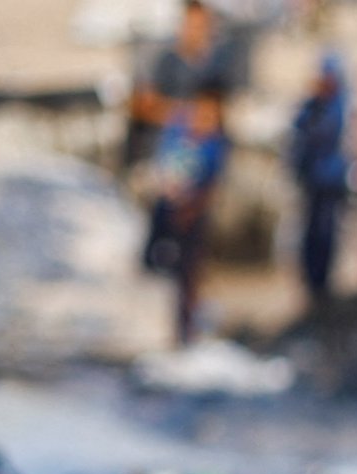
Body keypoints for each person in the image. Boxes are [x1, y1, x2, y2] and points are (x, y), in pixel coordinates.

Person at [142, 83, 231, 343]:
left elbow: (212, 185)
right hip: (167, 209)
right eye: (202, 111)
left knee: (188, 275)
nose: (205, 118)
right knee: (154, 264)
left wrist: (192, 207)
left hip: (192, 216)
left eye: (211, 114)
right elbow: (163, 167)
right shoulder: (177, 130)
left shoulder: (216, 145)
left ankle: (185, 331)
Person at [126, 0, 230, 168]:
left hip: (193, 160)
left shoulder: (215, 68)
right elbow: (141, 105)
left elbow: (215, 115)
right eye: (193, 25)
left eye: (202, 26)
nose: (197, 32)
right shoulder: (163, 61)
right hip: (156, 154)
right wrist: (185, 116)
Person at [290, 53, 350, 302]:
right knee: (310, 234)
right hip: (311, 180)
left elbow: (325, 133)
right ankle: (311, 283)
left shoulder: (338, 104)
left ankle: (322, 286)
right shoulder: (312, 104)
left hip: (330, 182)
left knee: (326, 233)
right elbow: (298, 128)